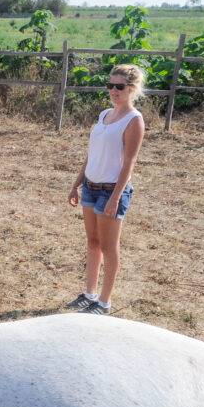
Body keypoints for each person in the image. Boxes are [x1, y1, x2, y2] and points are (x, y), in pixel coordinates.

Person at [66, 64, 146, 315]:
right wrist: (77, 183)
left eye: (119, 87)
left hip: (111, 190)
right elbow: (92, 154)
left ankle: (104, 302)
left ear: (131, 89)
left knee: (109, 247)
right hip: (90, 187)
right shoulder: (103, 115)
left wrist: (116, 197)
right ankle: (89, 294)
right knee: (92, 241)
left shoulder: (134, 120)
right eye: (110, 85)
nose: (113, 90)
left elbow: (129, 162)